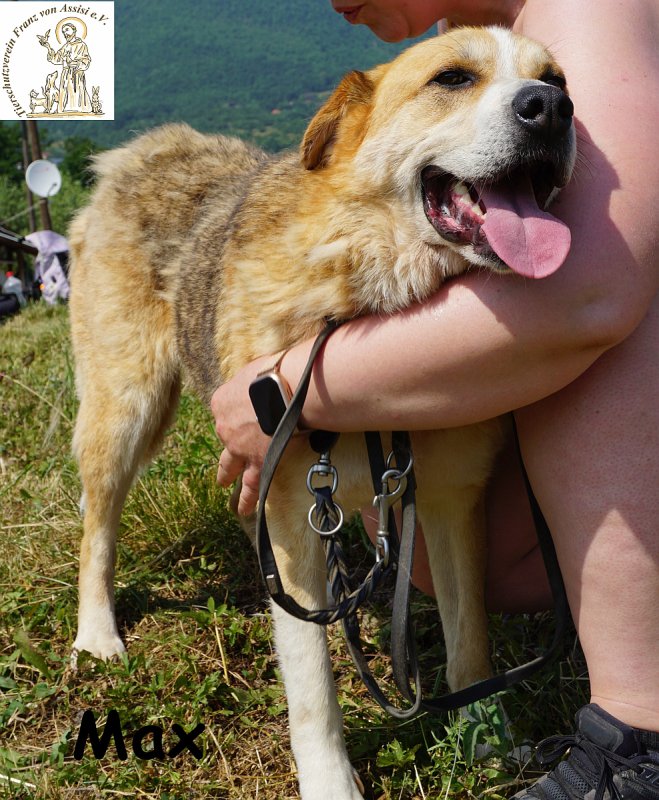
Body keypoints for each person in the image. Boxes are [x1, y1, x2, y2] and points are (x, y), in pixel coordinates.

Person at [211, 1, 659, 798]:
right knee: (450, 548)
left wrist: (288, 393)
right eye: (454, 80)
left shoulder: (592, 12)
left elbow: (593, 296)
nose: (543, 103)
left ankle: (639, 736)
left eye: (552, 89)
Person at [40, 23, 92, 113]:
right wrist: (48, 47)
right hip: (66, 75)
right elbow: (56, 58)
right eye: (63, 32)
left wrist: (74, 63)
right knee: (65, 93)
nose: (65, 34)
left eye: (67, 30)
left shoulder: (82, 45)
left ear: (74, 30)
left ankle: (79, 110)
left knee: (77, 93)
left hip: (76, 74)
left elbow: (86, 60)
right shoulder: (66, 46)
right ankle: (63, 109)